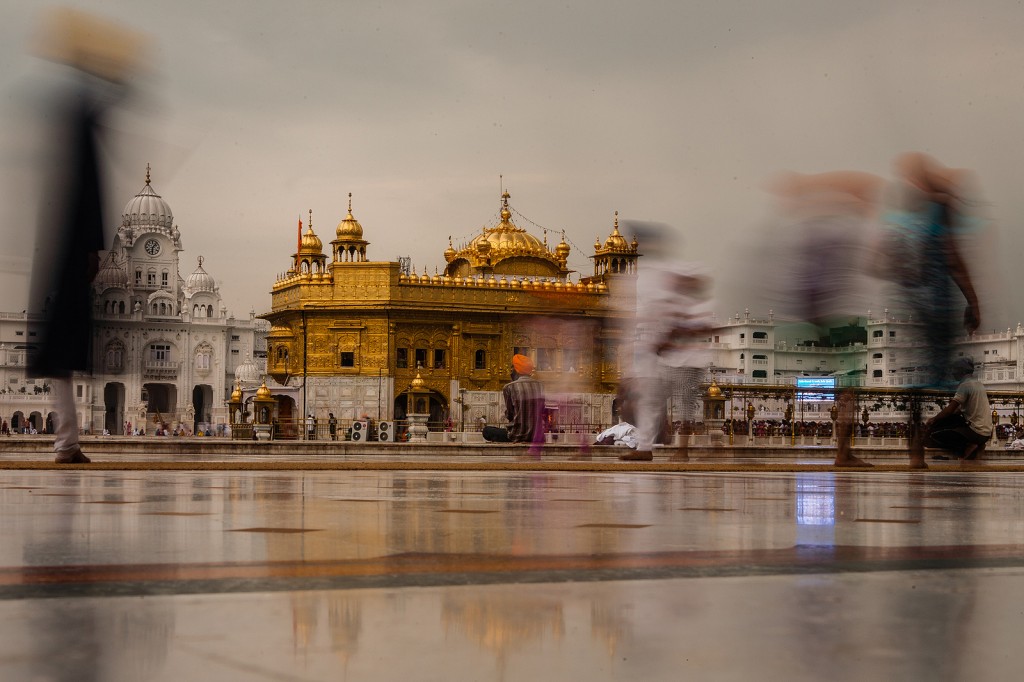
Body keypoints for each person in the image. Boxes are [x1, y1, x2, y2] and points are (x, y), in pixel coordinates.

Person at [26, 10, 143, 464]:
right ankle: (66, 441)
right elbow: (89, 186)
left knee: (64, 348)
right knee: (65, 345)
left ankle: (67, 440)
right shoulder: (82, 115)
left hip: (62, 241)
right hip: (72, 245)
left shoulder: (72, 109)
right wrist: (96, 247)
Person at [925, 357, 992, 465]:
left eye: (955, 369)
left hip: (975, 432)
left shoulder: (965, 385)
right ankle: (977, 445)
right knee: (953, 421)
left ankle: (969, 446)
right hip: (986, 433)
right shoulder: (979, 384)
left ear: (962, 371)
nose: (953, 372)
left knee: (936, 435)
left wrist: (934, 419)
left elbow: (950, 410)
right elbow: (958, 411)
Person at [482, 354, 545, 445]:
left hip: (516, 435)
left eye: (512, 369)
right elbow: (542, 409)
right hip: (537, 436)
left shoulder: (509, 387)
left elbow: (510, 414)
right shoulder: (540, 385)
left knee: (487, 431)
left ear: (516, 370)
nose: (510, 372)